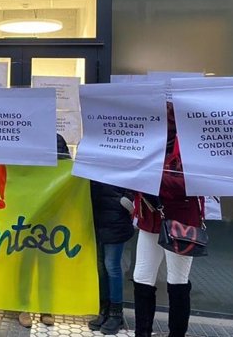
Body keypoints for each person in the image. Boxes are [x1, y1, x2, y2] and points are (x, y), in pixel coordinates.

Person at [132, 103, 204, 337]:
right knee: (142, 277)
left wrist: (149, 177)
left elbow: (190, 183)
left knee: (178, 280)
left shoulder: (191, 143)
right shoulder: (145, 143)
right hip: (150, 219)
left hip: (182, 221)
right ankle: (142, 333)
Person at [18, 134, 71, 329]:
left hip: (50, 211)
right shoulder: (23, 138)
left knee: (47, 263)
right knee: (26, 262)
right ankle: (22, 306)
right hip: (25, 211)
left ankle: (46, 308)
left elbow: (67, 171)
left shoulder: (58, 139)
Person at [87, 181, 135, 334]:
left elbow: (136, 176)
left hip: (115, 217)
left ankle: (116, 313)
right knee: (102, 266)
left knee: (111, 266)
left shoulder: (125, 156)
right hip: (98, 214)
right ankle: (105, 309)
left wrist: (126, 199)